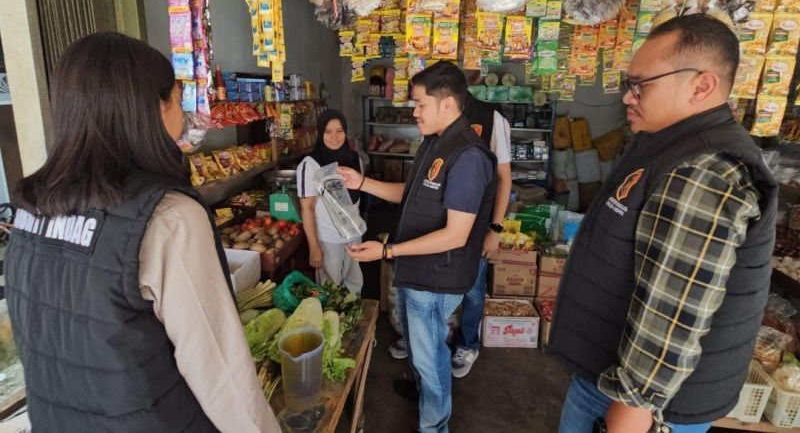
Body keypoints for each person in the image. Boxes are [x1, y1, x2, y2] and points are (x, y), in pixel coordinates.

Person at [5, 33, 280, 432]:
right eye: (178, 99)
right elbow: (221, 373)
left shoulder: (30, 208)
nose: (184, 113)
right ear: (153, 107)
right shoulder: (167, 217)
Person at [549, 14, 777, 433]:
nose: (627, 98)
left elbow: (675, 306)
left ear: (701, 86)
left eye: (641, 85)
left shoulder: (705, 168)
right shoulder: (668, 144)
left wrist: (633, 406)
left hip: (638, 400)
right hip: (614, 376)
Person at [342, 61, 496, 433]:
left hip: (437, 277)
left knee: (431, 362)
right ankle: (428, 397)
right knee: (420, 353)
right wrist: (361, 182)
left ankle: (435, 426)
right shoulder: (434, 144)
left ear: (447, 104)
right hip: (417, 271)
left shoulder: (469, 157)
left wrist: (388, 252)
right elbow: (407, 195)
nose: (414, 112)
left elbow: (456, 235)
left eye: (421, 104)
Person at [388, 88, 513, 381]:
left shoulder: (491, 119)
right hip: (438, 230)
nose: (417, 111)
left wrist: (495, 228)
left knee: (472, 289)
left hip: (475, 227)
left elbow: (505, 177)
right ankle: (425, 346)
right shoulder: (436, 127)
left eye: (421, 103)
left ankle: (466, 344)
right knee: (430, 300)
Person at [297, 109, 364, 293]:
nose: (334, 137)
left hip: (354, 235)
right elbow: (307, 209)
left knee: (354, 283)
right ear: (320, 133)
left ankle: (352, 318)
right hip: (328, 240)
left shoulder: (355, 158)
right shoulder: (309, 164)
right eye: (328, 132)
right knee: (330, 290)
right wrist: (314, 247)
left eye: (339, 131)